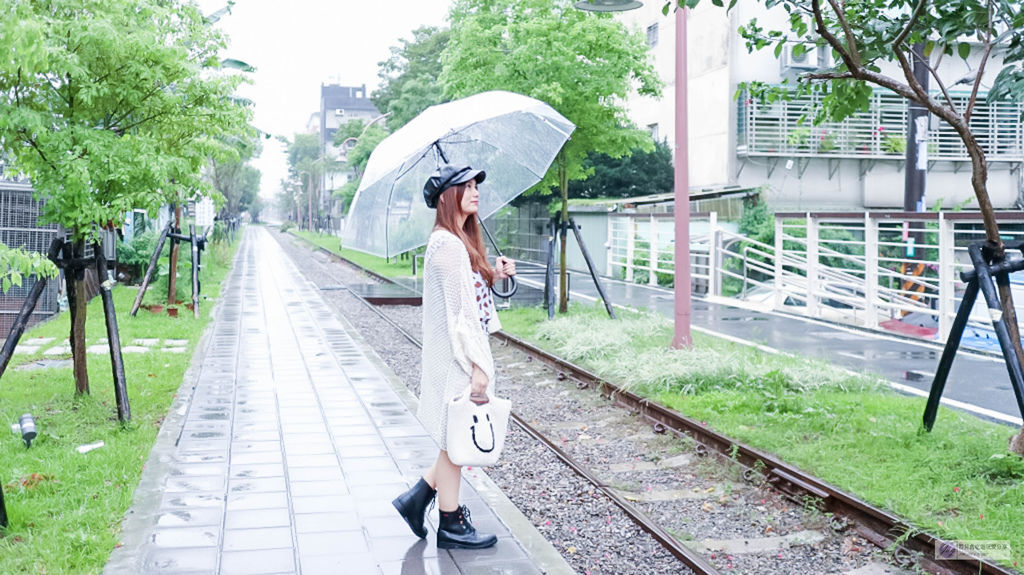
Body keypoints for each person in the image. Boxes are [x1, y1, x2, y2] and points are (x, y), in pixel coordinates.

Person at [392, 164, 516, 549]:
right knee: (455, 440)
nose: (476, 191)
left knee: (453, 439)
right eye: (466, 185)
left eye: (477, 184)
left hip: (456, 356)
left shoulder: (459, 241)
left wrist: (493, 276)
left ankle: (419, 502)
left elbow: (471, 299)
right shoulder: (447, 245)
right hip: (456, 359)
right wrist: (479, 367)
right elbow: (461, 316)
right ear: (448, 195)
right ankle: (449, 523)